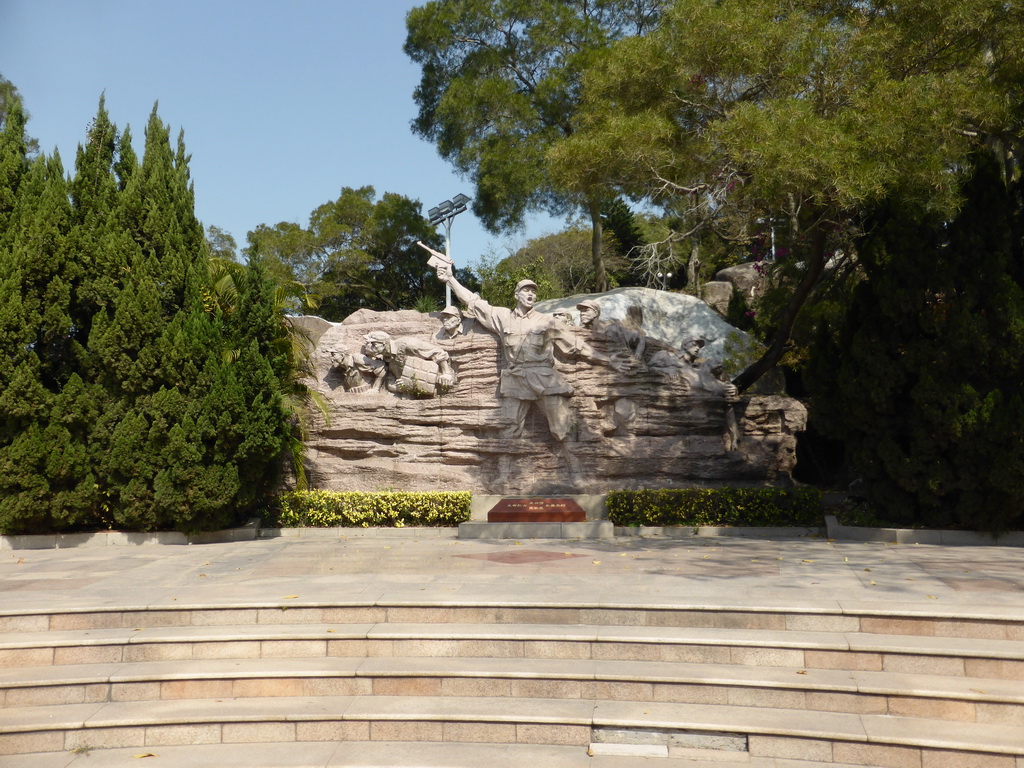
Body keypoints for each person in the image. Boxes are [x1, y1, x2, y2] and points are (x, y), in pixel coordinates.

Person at [432, 259, 616, 442]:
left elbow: (577, 346)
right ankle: (505, 470)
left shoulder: (547, 321)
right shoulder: (503, 317)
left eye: (533, 292)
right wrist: (450, 279)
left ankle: (576, 466)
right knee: (508, 430)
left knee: (563, 429)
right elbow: (473, 301)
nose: (531, 294)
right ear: (516, 295)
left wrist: (607, 360)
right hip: (516, 378)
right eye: (526, 290)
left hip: (544, 377)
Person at [362, 331, 456, 396]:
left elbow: (438, 352)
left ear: (384, 344)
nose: (369, 347)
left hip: (436, 384)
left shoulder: (408, 345)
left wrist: (446, 373)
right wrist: (399, 387)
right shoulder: (385, 358)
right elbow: (391, 383)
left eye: (373, 344)